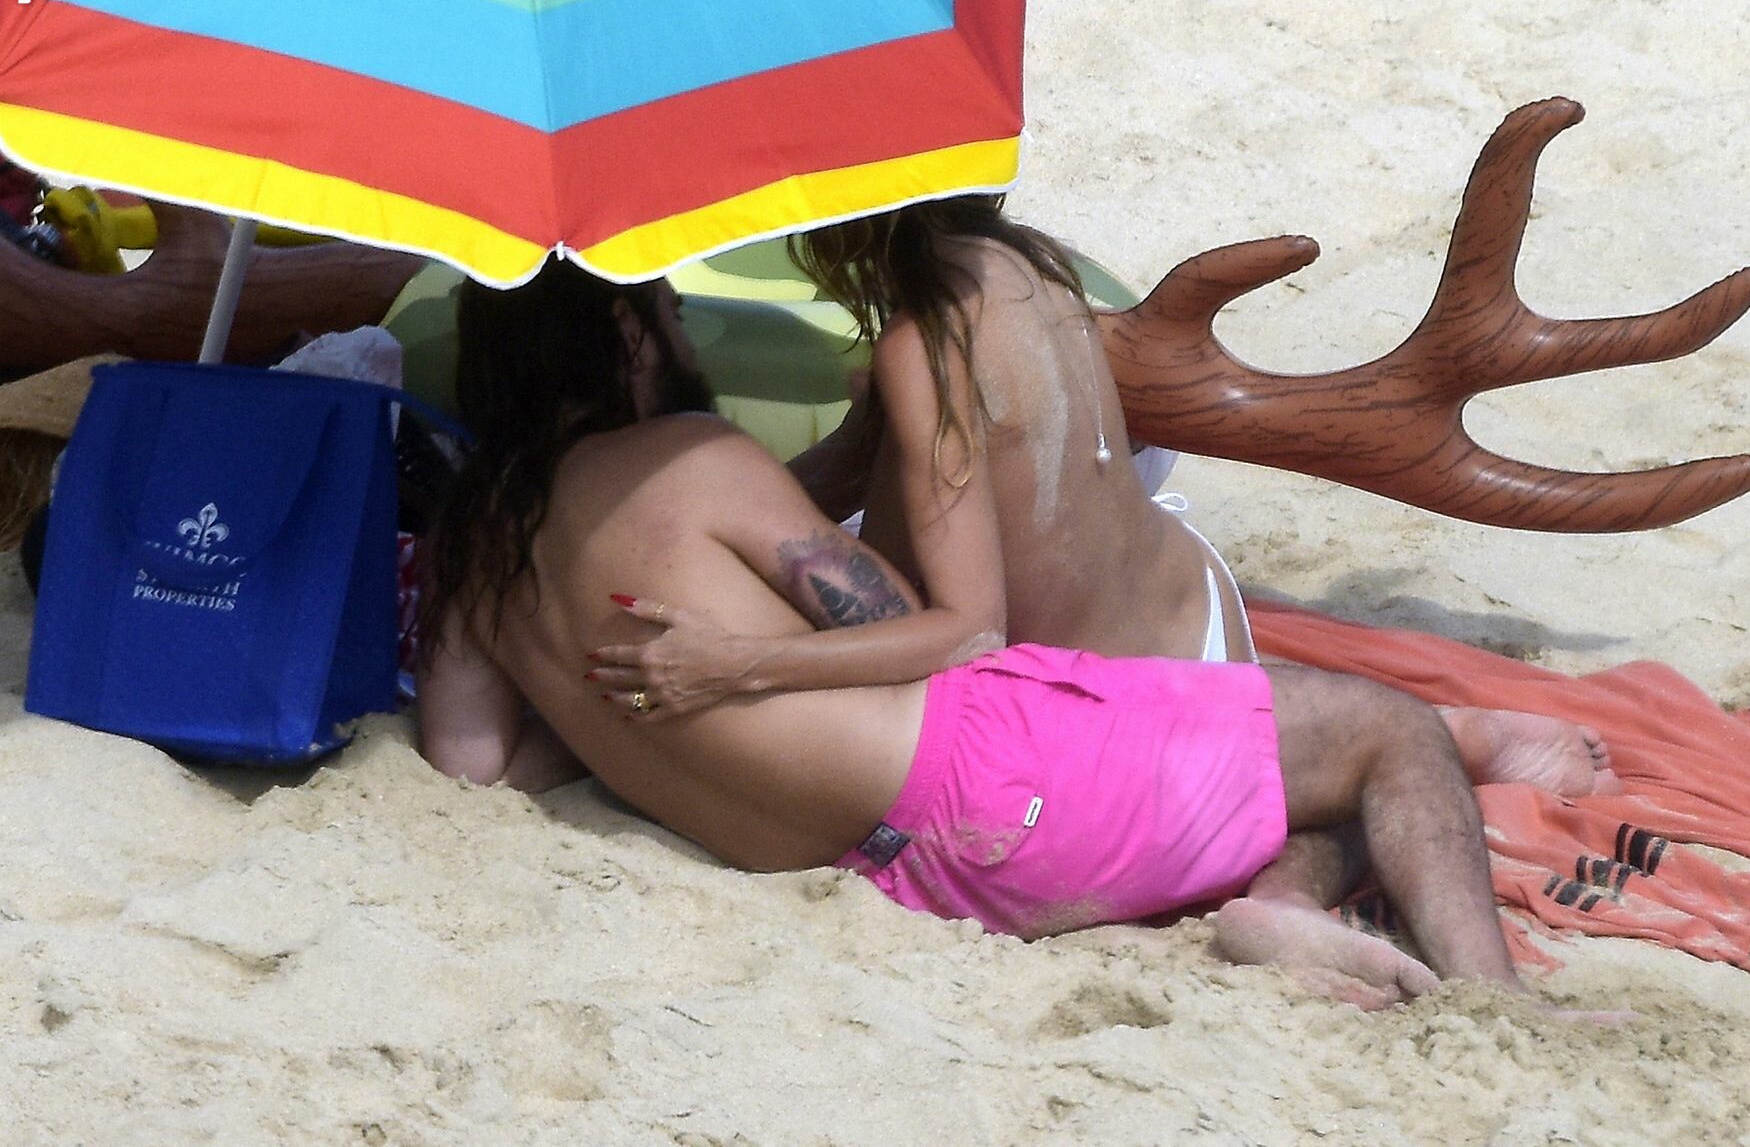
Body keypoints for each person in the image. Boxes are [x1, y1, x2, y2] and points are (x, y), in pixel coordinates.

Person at [418, 262, 1534, 1008]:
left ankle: (1279, 905)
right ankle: (1501, 1005)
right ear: (625, 335)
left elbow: (472, 766)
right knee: (1390, 734)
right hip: (992, 779)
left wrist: (607, 703)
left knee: (1302, 773)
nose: (681, 334)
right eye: (669, 315)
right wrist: (756, 641)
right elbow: (924, 634)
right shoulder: (691, 455)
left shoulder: (474, 547)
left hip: (895, 872)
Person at [589, 197, 1619, 803]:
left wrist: (738, 662)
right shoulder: (1028, 268)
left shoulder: (922, 349)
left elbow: (968, 634)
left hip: (1137, 702)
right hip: (1191, 610)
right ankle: (1447, 734)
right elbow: (857, 490)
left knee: (1286, 803)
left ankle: (1459, 738)